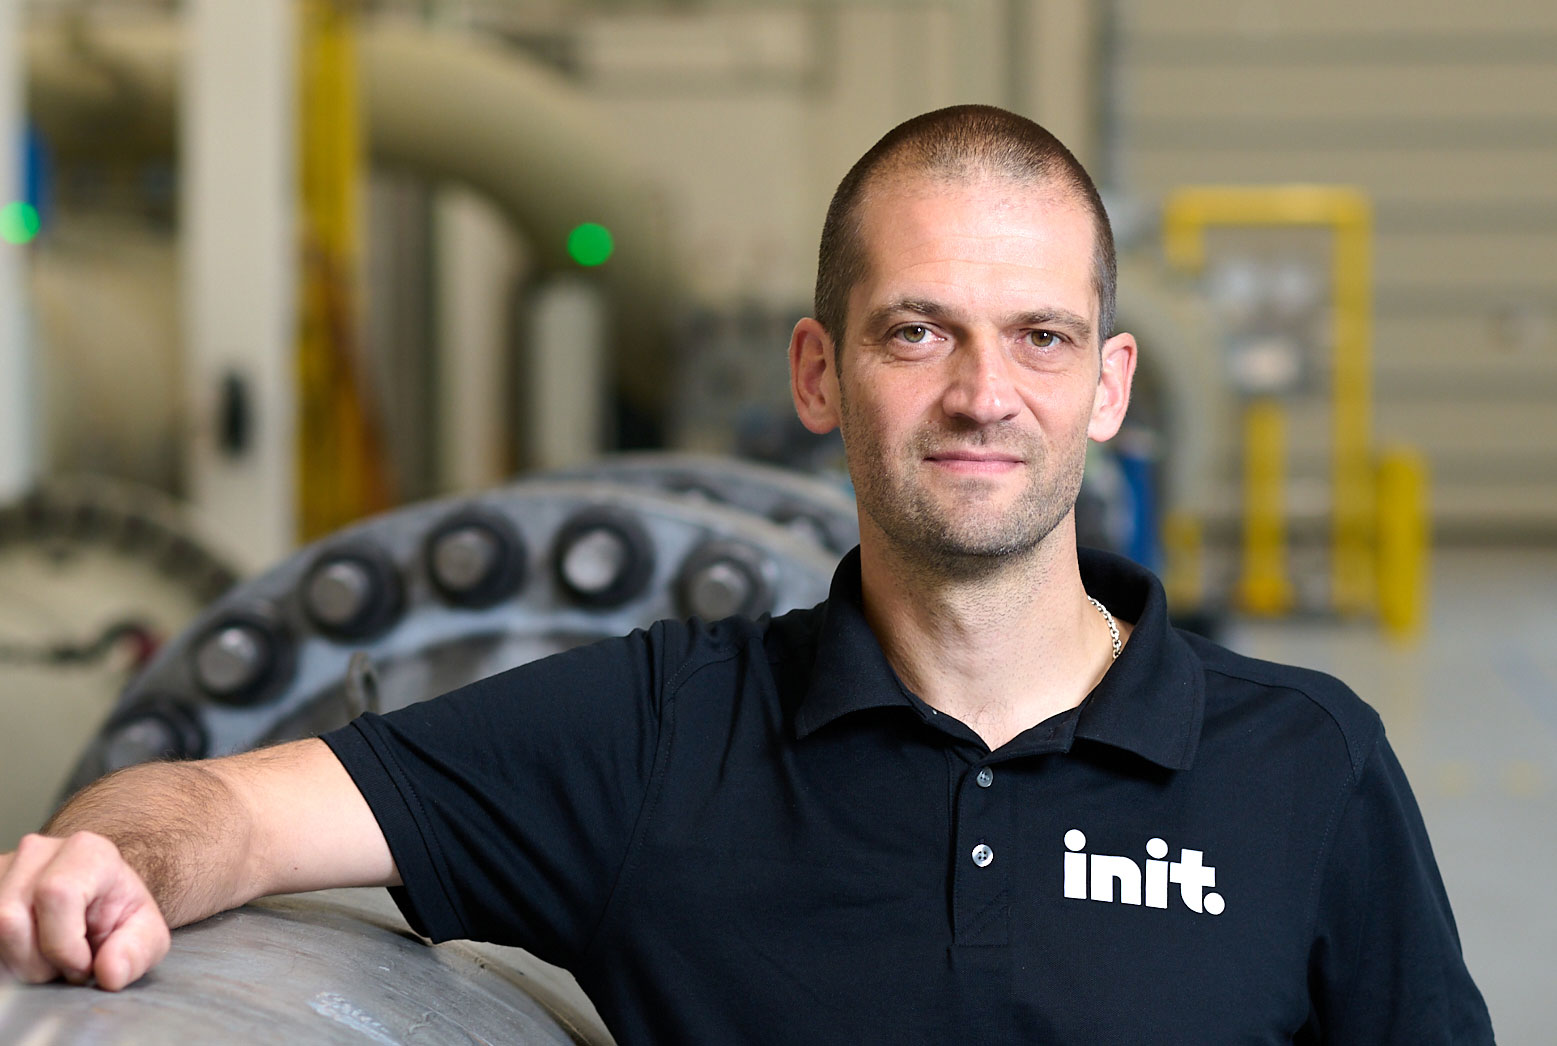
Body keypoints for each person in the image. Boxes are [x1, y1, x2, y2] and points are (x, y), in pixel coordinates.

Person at [0, 105, 1492, 1043]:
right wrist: (105, 861)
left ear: (1106, 386)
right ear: (817, 371)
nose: (984, 392)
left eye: (1036, 336)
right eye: (917, 331)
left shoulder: (1306, 764)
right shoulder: (661, 738)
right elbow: (221, 807)